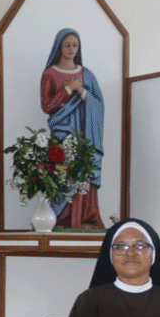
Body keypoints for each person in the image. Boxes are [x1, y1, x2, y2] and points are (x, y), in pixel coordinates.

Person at [40, 28, 105, 229]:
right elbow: (47, 106)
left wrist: (80, 90)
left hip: (84, 132)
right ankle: (61, 218)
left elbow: (98, 104)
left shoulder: (86, 74)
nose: (71, 49)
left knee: (83, 171)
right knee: (63, 172)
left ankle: (85, 218)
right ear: (59, 46)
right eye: (67, 45)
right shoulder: (49, 74)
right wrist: (68, 89)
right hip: (61, 132)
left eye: (75, 45)